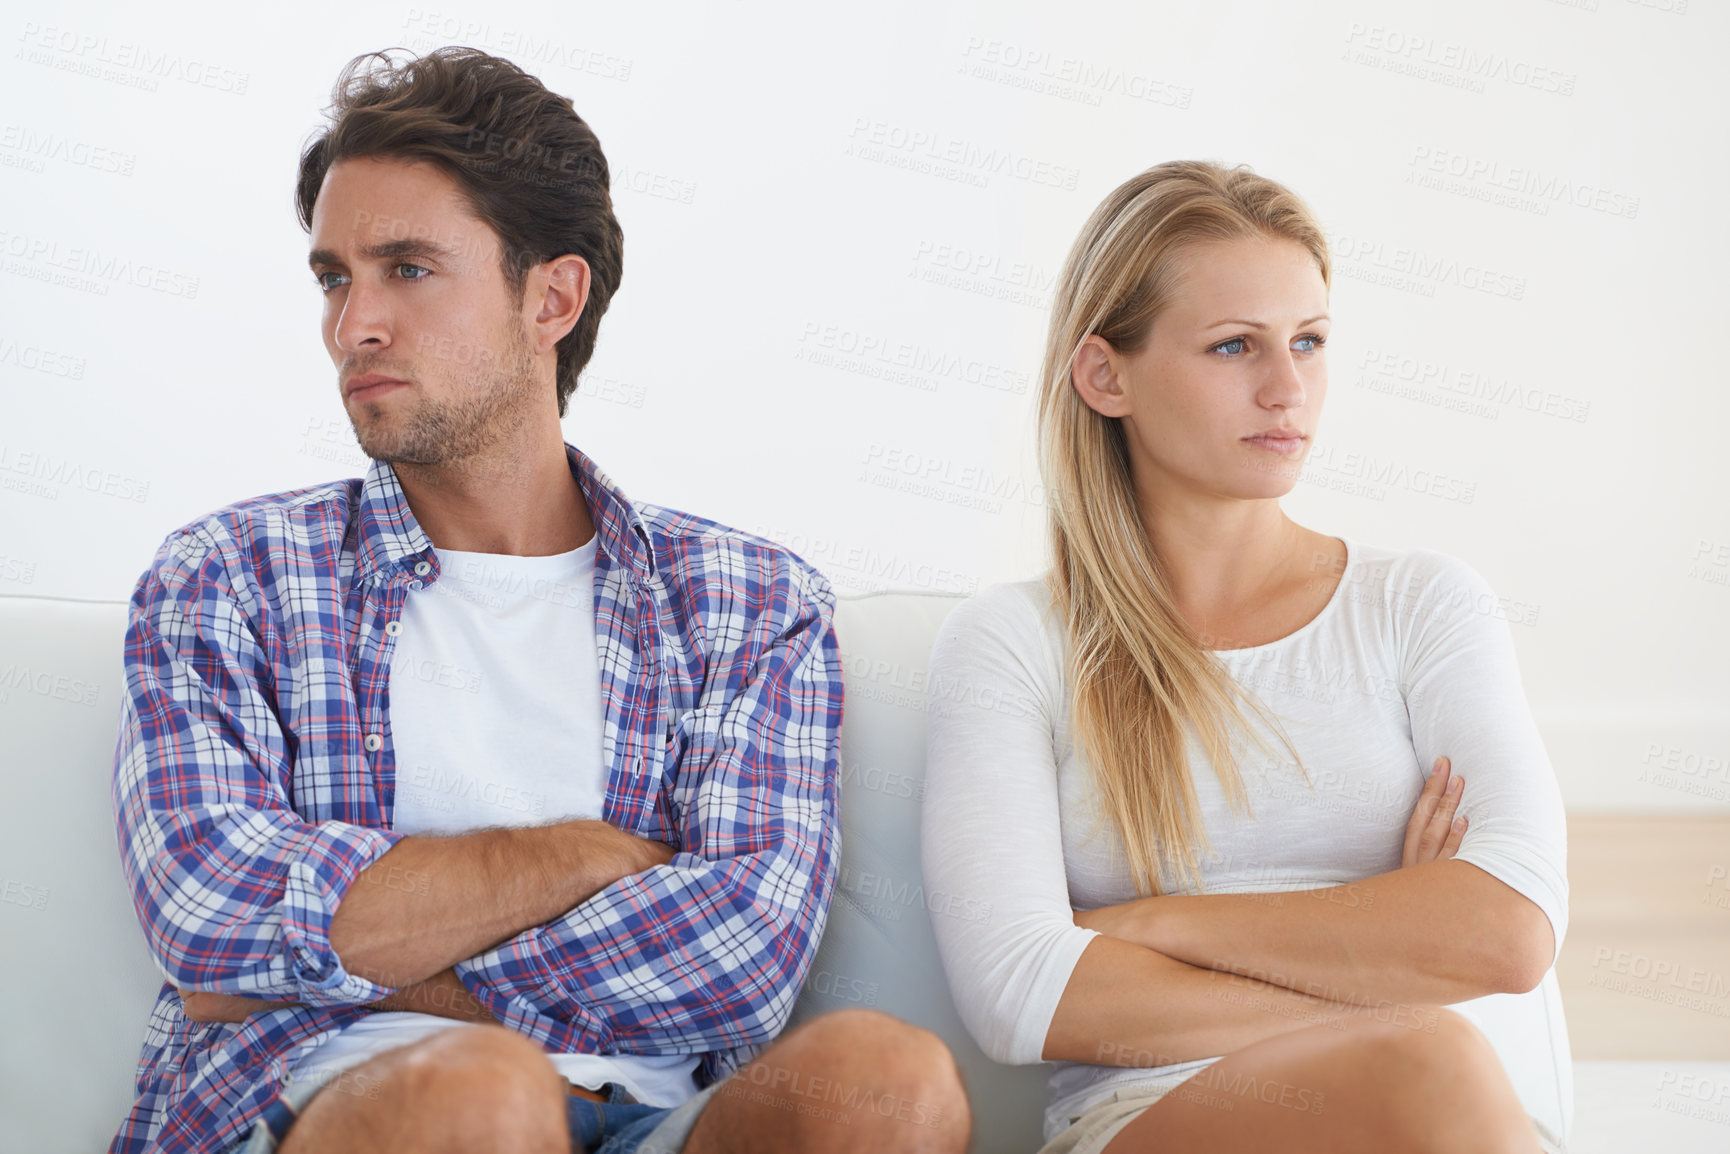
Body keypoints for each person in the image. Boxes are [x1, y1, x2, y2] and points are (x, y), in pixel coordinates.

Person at [109, 45, 969, 1154]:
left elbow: (742, 962)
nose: (351, 324)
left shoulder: (746, 603)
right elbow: (213, 929)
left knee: (888, 1081)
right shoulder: (226, 577)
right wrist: (581, 855)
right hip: (325, 1110)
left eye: (407, 268)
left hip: (656, 1120)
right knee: (481, 1092)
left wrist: (350, 958)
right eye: (334, 276)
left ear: (550, 296)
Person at [920, 160, 1569, 1154]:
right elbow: (1018, 993)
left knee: (1427, 1066)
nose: (1286, 387)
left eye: (1308, 342)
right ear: (1104, 375)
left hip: (1430, 1118)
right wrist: (1381, 951)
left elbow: (1506, 930)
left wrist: (1149, 924)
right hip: (1148, 1114)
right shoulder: (1014, 641)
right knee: (1425, 1055)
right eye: (1234, 346)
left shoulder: (1422, 604)